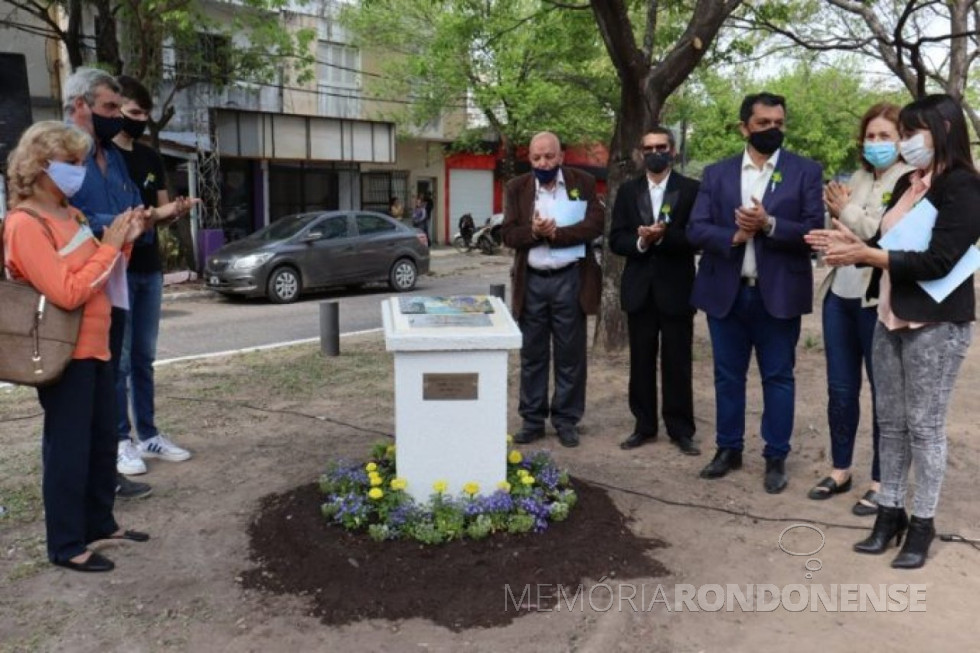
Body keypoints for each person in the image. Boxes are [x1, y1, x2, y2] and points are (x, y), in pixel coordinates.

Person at [807, 94, 980, 569]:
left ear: (943, 129)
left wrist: (868, 256)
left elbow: (938, 260)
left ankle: (922, 524)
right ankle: (889, 514)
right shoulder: (909, 182)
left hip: (936, 324)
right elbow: (888, 243)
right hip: (888, 314)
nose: (904, 142)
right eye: (901, 133)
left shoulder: (965, 187)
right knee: (893, 422)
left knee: (925, 428)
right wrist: (852, 243)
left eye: (910, 132)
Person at [2, 121, 150, 572]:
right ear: (40, 166)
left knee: (102, 441)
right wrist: (109, 247)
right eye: (71, 163)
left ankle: (99, 522)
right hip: (63, 352)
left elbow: (98, 273)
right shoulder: (25, 224)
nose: (80, 172)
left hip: (98, 345)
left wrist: (124, 242)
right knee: (68, 448)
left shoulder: (72, 214)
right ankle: (66, 544)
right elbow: (66, 292)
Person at [687, 92, 824, 493]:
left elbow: (813, 232)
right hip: (726, 293)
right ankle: (728, 449)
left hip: (778, 294)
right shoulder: (717, 174)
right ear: (744, 127)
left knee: (778, 377)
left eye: (779, 123)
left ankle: (775, 455)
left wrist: (768, 224)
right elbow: (695, 228)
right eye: (763, 123)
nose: (772, 130)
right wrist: (735, 234)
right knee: (728, 377)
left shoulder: (805, 172)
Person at [808, 103, 913, 513]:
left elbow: (879, 233)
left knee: (883, 394)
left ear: (902, 140)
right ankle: (840, 469)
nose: (876, 144)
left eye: (885, 136)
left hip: (877, 299)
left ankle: (881, 479)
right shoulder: (857, 176)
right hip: (841, 296)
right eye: (870, 136)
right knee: (840, 388)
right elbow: (849, 231)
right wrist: (836, 226)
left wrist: (845, 212)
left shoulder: (909, 181)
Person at [62, 67, 153, 500]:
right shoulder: (58, 153)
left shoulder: (112, 156)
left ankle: (105, 478)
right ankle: (81, 490)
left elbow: (132, 205)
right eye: (109, 107)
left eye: (119, 107)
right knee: (80, 393)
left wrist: (135, 221)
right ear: (80, 106)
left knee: (107, 379)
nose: (117, 117)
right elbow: (60, 220)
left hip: (113, 279)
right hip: (77, 285)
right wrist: (116, 225)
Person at [112, 75, 197, 477]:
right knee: (121, 361)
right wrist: (154, 215)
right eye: (132, 112)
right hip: (117, 271)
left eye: (145, 113)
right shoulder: (103, 160)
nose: (139, 120)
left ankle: (148, 434)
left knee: (144, 358)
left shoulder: (148, 157)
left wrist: (177, 209)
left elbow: (160, 212)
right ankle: (120, 440)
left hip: (149, 268)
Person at [501, 131, 604, 448]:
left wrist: (556, 233)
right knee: (532, 354)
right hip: (531, 281)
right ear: (529, 158)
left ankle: (566, 419)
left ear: (560, 156)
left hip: (569, 278)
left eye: (548, 156)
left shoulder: (582, 182)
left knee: (570, 355)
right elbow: (507, 234)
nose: (542, 162)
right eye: (536, 157)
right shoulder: (516, 187)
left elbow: (594, 224)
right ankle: (532, 420)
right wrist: (533, 231)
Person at [609, 127, 700, 455]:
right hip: (640, 290)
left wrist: (665, 236)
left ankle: (681, 429)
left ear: (673, 151)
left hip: (677, 289)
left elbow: (698, 236)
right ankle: (644, 426)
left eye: (661, 147)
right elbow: (616, 239)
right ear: (640, 153)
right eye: (648, 148)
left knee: (678, 362)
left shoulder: (691, 189)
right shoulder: (627, 191)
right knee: (641, 361)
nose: (655, 153)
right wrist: (641, 241)